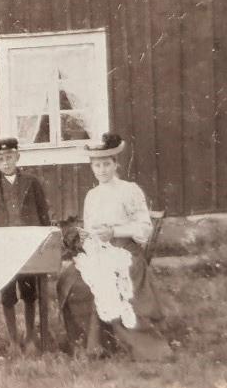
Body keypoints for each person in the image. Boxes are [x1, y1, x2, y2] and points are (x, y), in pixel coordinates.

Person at [56, 133, 173, 362]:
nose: (102, 170)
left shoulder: (129, 190)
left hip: (126, 252)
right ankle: (91, 343)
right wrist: (83, 237)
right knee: (69, 280)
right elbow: (91, 229)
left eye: (106, 164)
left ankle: (135, 343)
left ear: (115, 164)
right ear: (92, 167)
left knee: (109, 280)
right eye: (97, 165)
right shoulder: (92, 195)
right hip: (99, 251)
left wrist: (115, 232)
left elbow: (144, 228)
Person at [0, 137, 50, 353]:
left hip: (27, 246)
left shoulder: (31, 182)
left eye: (9, 157)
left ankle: (30, 337)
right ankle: (13, 340)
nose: (6, 162)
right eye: (1, 159)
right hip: (3, 249)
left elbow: (43, 212)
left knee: (29, 292)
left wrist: (45, 237)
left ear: (17, 157)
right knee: (7, 294)